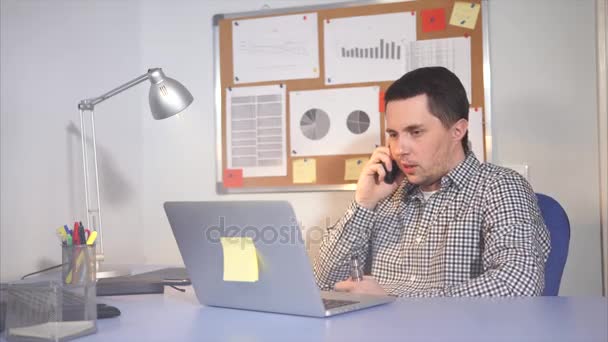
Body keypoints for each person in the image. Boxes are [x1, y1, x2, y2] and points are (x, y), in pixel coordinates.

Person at [313, 67, 551, 297]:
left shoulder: (499, 187)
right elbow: (326, 283)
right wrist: (364, 203)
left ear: (457, 131)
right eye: (393, 134)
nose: (399, 149)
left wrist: (394, 301)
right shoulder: (385, 194)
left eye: (415, 132)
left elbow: (518, 284)